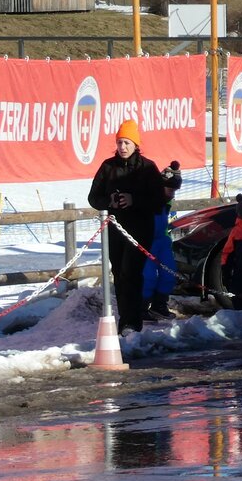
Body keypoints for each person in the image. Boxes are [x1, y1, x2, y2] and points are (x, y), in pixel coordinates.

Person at [87, 119, 165, 334]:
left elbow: (158, 200)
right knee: (119, 274)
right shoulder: (108, 167)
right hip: (115, 230)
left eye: (127, 143)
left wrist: (134, 200)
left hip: (139, 229)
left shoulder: (147, 168)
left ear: (136, 145)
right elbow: (93, 197)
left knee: (131, 272)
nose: (123, 147)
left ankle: (133, 321)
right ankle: (125, 320)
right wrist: (109, 202)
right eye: (120, 143)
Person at [142, 161, 182, 320]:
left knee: (169, 272)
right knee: (148, 276)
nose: (172, 194)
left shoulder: (166, 199)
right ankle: (142, 307)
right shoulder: (149, 198)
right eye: (170, 190)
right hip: (148, 241)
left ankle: (160, 304)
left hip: (163, 239)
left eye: (175, 191)